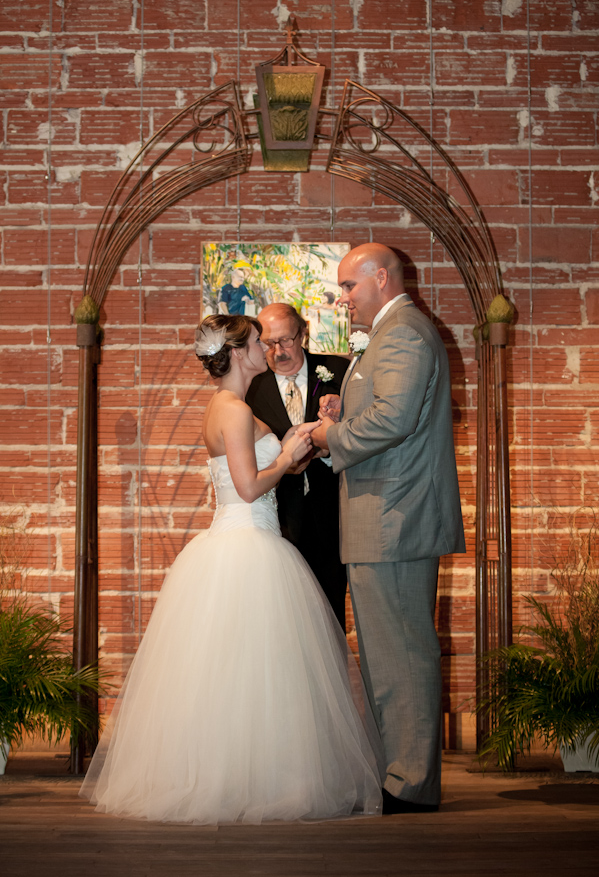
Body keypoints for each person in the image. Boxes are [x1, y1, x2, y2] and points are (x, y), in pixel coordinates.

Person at [80, 314, 383, 825]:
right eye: (258, 341)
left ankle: (244, 773)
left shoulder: (229, 407)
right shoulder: (235, 411)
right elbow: (249, 486)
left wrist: (302, 441)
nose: (267, 347)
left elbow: (272, 458)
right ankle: (264, 780)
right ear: (240, 353)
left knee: (246, 670)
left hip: (241, 538)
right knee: (263, 669)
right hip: (249, 539)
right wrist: (286, 458)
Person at [308, 243, 465, 814]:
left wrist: (329, 437)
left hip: (396, 519)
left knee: (402, 654)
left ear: (380, 277)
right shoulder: (397, 332)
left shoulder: (402, 331)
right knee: (386, 656)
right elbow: (390, 414)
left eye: (349, 286)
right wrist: (342, 418)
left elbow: (395, 419)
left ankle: (411, 784)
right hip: (386, 517)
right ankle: (400, 775)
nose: (342, 299)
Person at [245, 303, 349, 627]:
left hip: (332, 516)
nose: (277, 351)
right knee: (281, 620)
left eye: (286, 340)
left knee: (330, 618)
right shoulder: (250, 384)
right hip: (278, 521)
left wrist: (328, 449)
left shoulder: (338, 372)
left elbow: (361, 432)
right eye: (268, 343)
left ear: (303, 333)